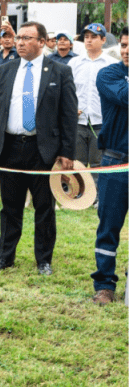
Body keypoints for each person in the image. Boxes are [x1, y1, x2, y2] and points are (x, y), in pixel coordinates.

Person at [0, 21, 77, 276]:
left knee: (44, 208)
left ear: (42, 42)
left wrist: (67, 152)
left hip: (43, 150)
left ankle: (44, 260)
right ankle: (5, 257)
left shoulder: (60, 72)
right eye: (18, 37)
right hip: (9, 147)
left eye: (27, 38)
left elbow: (68, 116)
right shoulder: (4, 71)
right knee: (10, 206)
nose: (20, 42)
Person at [90, 30, 128, 304]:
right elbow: (125, 96)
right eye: (124, 45)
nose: (126, 50)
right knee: (108, 226)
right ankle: (104, 285)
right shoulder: (108, 75)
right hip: (116, 161)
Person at [68, 23, 117, 183]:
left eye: (94, 37)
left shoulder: (111, 64)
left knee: (98, 163)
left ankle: (97, 194)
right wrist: (71, 108)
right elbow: (68, 91)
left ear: (103, 40)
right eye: (86, 37)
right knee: (78, 163)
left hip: (101, 122)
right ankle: (80, 193)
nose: (89, 40)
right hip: (78, 122)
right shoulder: (74, 63)